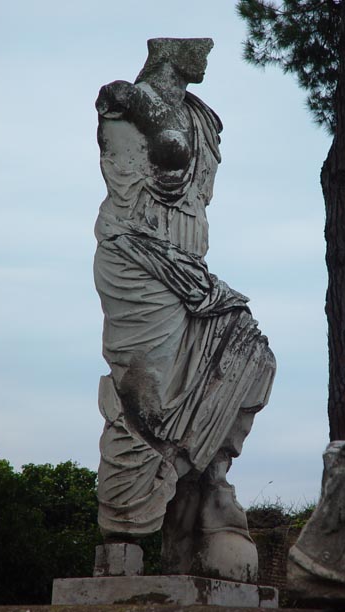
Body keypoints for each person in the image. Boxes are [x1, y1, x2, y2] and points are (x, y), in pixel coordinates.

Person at [93, 38, 275, 582]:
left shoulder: (201, 116)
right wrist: (146, 100)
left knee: (251, 352)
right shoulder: (123, 105)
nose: (206, 56)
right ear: (169, 50)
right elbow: (163, 158)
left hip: (188, 263)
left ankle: (206, 484)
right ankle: (125, 533)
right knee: (143, 396)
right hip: (136, 255)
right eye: (198, 48)